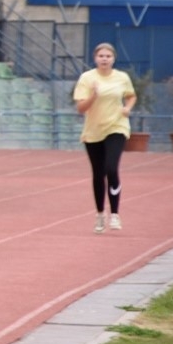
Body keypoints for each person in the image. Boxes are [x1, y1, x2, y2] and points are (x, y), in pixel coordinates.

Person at [73, 42, 135, 234]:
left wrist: (127, 108)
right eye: (101, 56)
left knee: (111, 168)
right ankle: (100, 214)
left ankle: (115, 213)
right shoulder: (87, 78)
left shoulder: (122, 77)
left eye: (108, 56)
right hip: (93, 130)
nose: (104, 59)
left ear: (113, 59)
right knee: (98, 173)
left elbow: (131, 95)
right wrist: (93, 96)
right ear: (95, 58)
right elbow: (80, 108)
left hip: (117, 126)